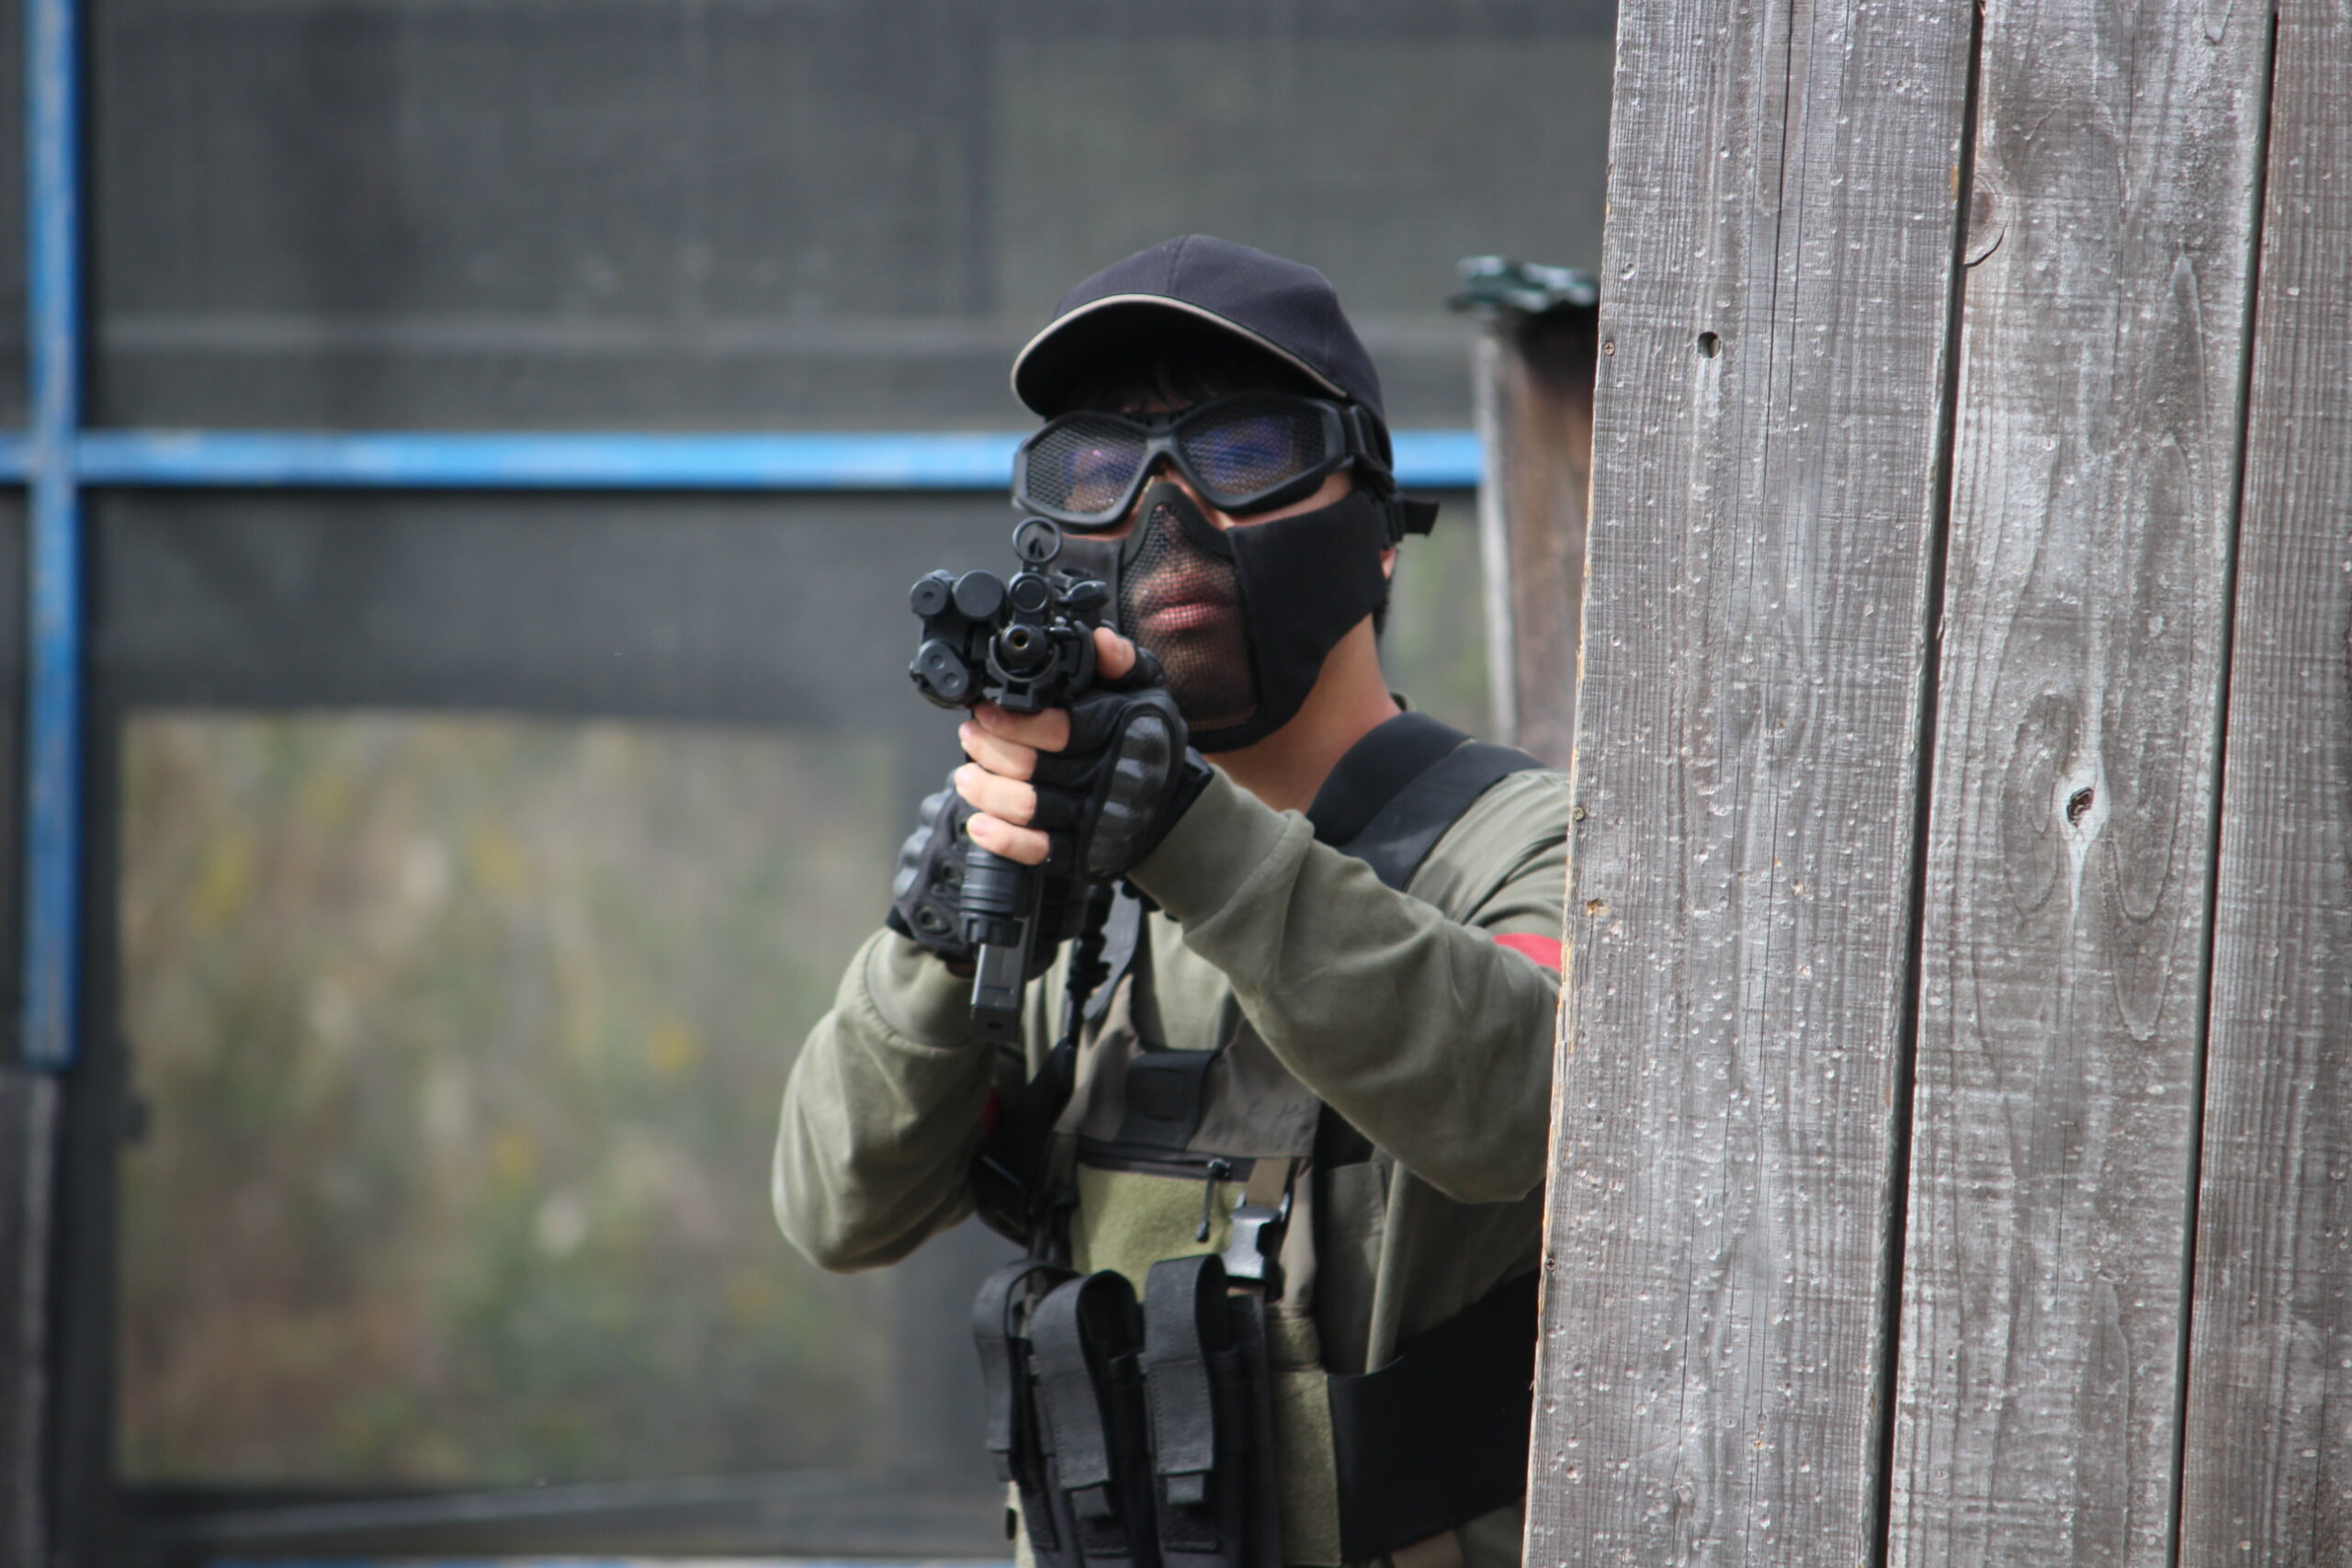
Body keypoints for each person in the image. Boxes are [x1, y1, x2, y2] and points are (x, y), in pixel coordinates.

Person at [775, 235, 1567, 1568]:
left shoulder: (1531, 844)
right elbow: (838, 1209)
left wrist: (1187, 834)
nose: (1165, 505)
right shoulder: (1070, 891)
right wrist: (940, 933)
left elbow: (1524, 1111)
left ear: (1378, 530)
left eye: (1244, 451)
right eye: (1098, 470)